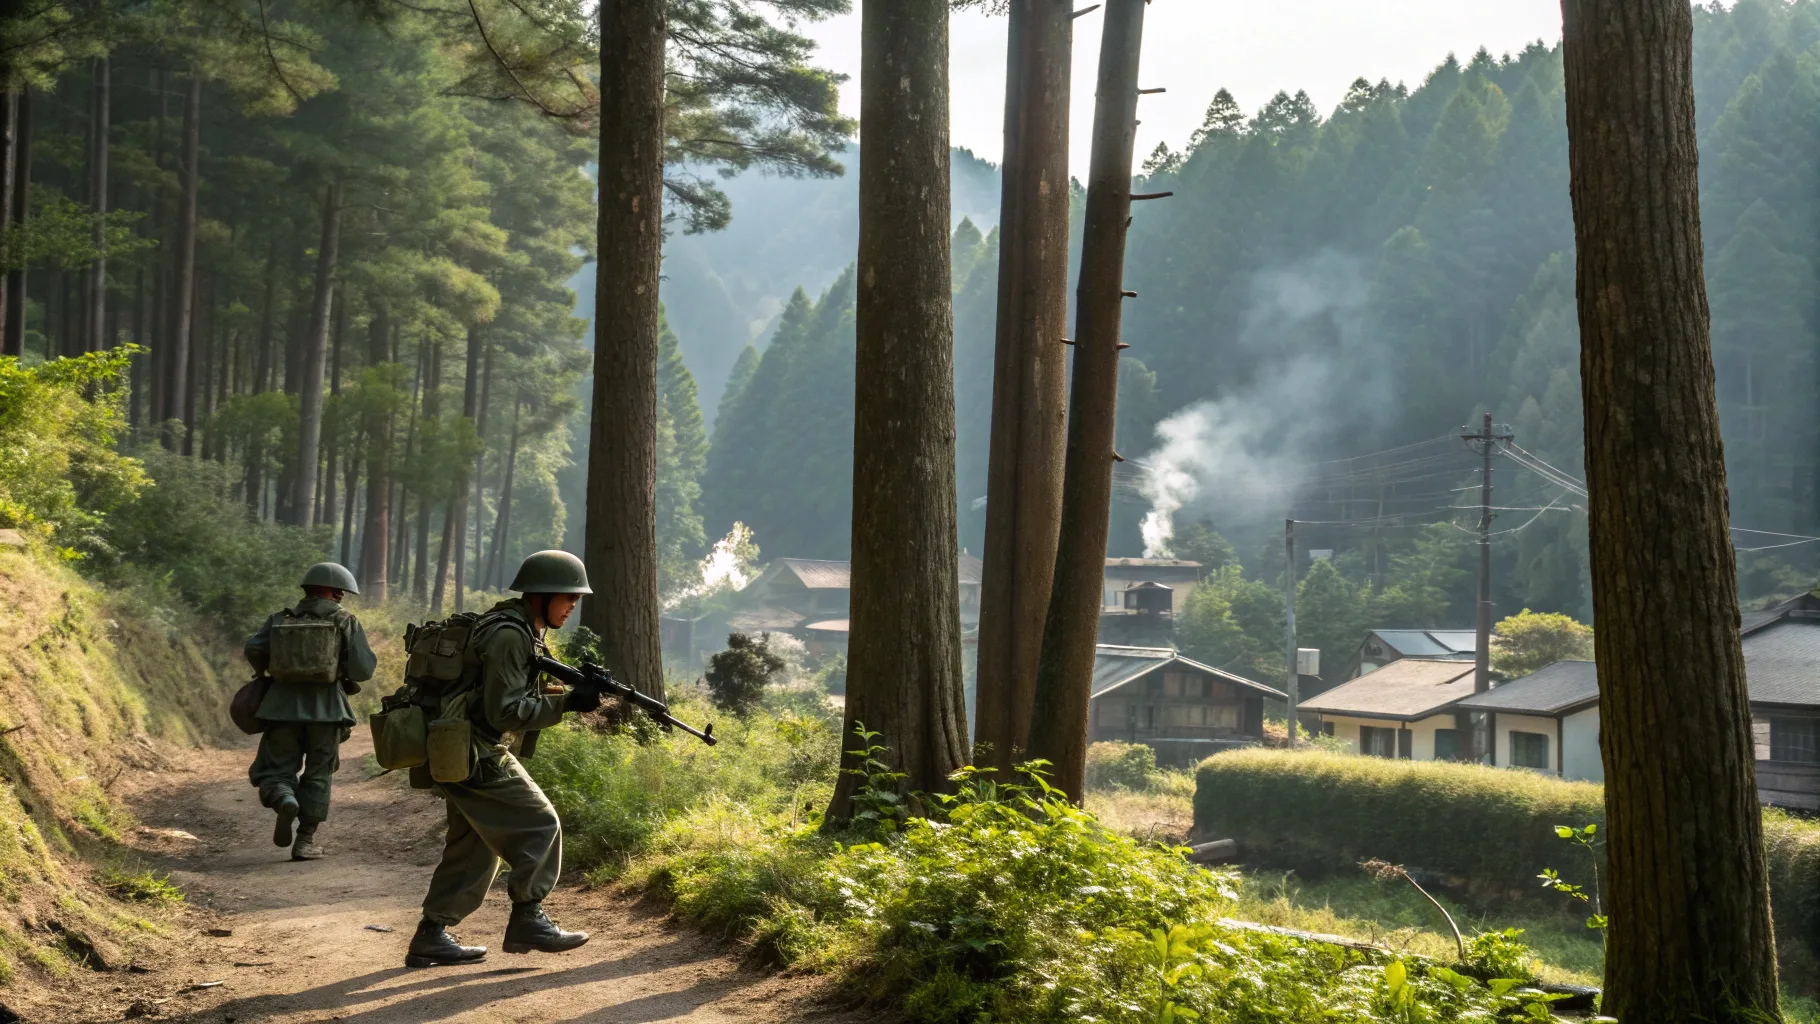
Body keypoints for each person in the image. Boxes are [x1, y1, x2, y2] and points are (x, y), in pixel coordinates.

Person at [406, 549, 601, 969]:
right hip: (475, 750)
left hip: (454, 747)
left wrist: (565, 693)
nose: (572, 607)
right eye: (569, 598)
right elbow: (504, 712)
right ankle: (529, 916)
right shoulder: (511, 635)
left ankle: (431, 936)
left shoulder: (513, 625)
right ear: (543, 595)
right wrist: (567, 704)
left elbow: (496, 694)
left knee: (474, 844)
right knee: (542, 823)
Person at [244, 561, 377, 862]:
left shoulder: (279, 619)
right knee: (319, 774)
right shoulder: (346, 621)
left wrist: (264, 674)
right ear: (331, 592)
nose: (342, 595)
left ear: (306, 590)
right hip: (327, 711)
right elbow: (364, 668)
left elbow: (254, 649)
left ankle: (284, 798)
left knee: (276, 767)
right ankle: (305, 841)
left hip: (280, 708)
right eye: (339, 591)